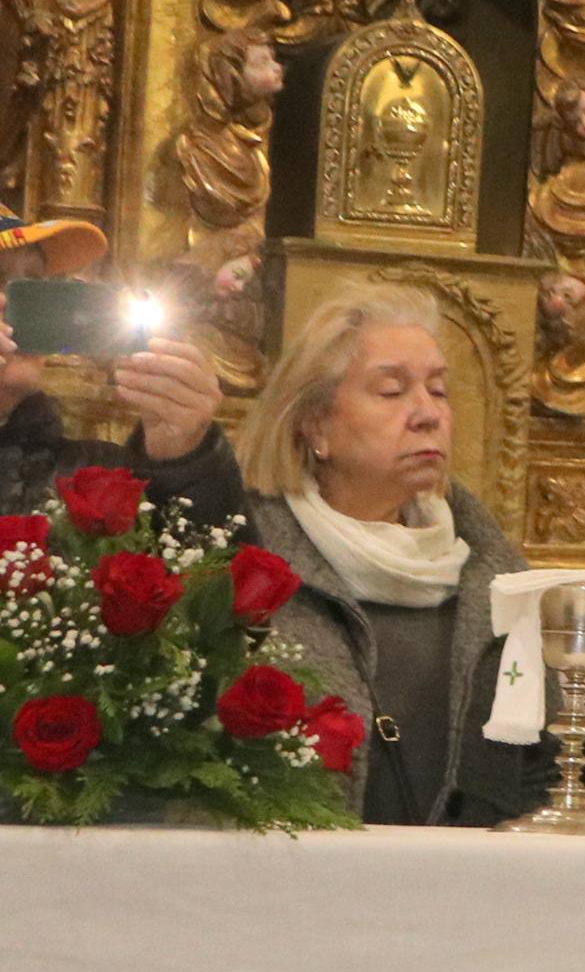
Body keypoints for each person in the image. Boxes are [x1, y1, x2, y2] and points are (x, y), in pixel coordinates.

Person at [235, 286, 543, 824]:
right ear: (315, 425)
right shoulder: (251, 560)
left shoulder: (497, 578)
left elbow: (541, 768)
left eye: (439, 391)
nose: (427, 414)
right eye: (391, 391)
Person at [0, 205, 243, 533]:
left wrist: (186, 461)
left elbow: (216, 575)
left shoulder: (101, 478)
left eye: (33, 283)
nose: (12, 305)